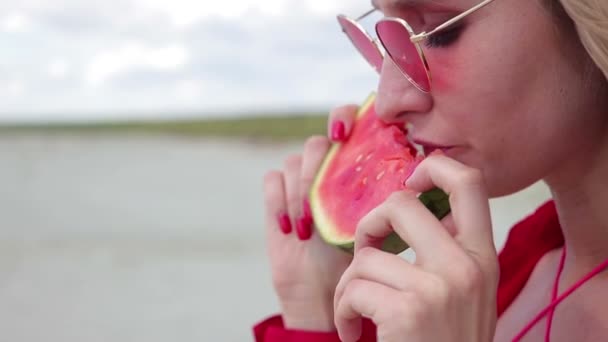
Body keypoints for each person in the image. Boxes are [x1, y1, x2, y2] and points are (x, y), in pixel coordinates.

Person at [255, 0, 608, 340]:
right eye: (387, 40)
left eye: (439, 32)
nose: (387, 100)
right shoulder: (523, 267)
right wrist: (315, 311)